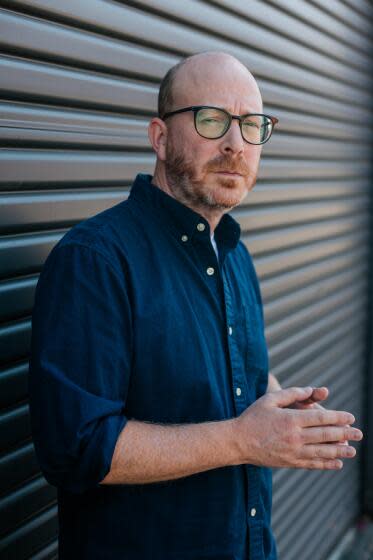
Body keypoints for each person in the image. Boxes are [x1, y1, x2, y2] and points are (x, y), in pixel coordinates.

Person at [28, 51, 363, 560]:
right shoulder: (95, 260)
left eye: (253, 126)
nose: (236, 144)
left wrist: (285, 413)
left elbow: (238, 380)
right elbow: (77, 447)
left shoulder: (235, 254)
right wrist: (243, 440)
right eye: (212, 120)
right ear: (160, 138)